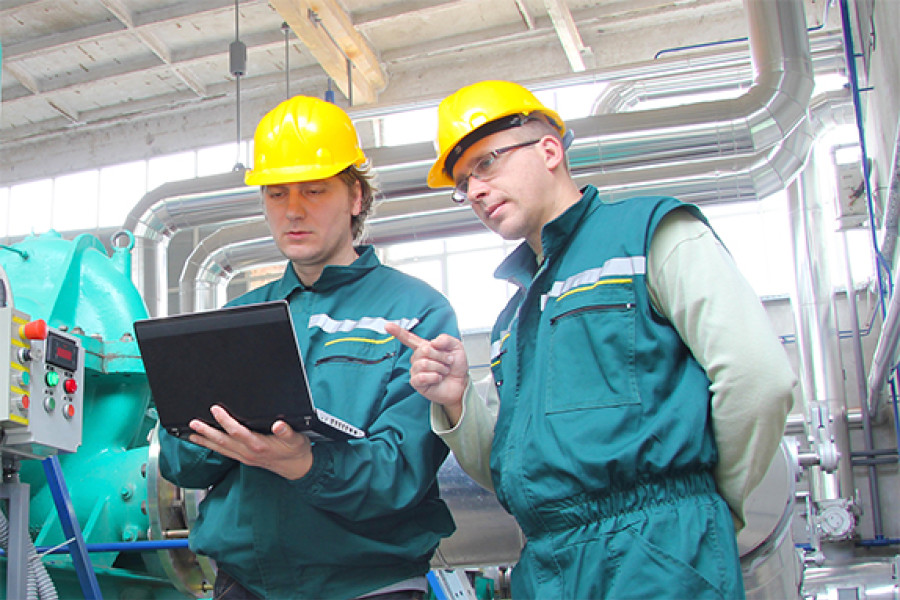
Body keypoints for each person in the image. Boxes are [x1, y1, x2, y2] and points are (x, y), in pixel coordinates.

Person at [386, 80, 797, 599]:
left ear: (550, 150)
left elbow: (758, 380)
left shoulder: (653, 235)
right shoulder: (515, 314)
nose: (475, 191)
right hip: (550, 564)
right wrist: (456, 402)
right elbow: (513, 472)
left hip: (660, 553)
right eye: (463, 182)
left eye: (486, 164)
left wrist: (711, 504)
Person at [158, 95, 458, 600]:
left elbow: (401, 472)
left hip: (369, 586)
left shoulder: (415, 313)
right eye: (276, 194)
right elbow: (181, 465)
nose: (293, 210)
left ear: (356, 197)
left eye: (315, 190)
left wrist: (304, 463)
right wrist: (202, 431)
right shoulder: (233, 321)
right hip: (244, 584)